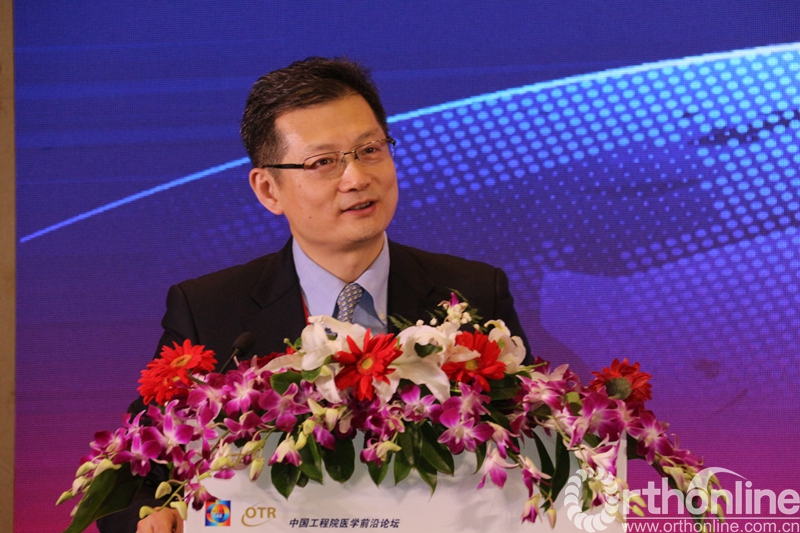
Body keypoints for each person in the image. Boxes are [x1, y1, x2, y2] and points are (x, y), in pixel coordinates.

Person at [97, 56, 530, 533]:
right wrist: (148, 518)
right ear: (269, 190)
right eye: (323, 162)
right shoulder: (211, 311)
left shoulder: (471, 292)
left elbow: (531, 440)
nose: (356, 178)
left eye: (370, 150)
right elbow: (130, 474)